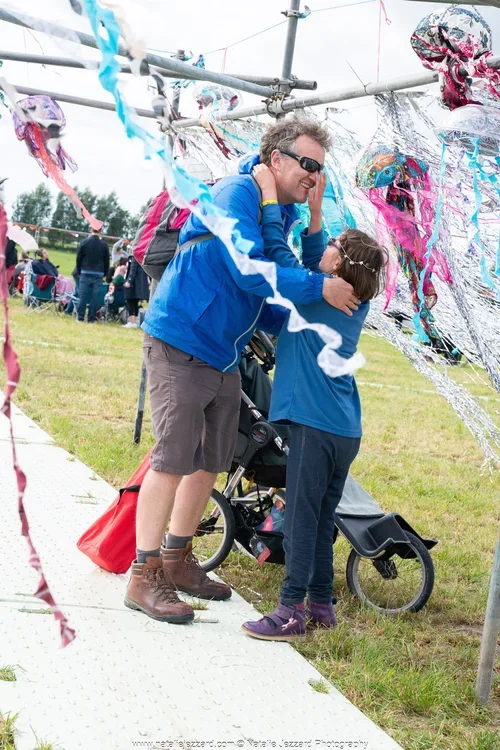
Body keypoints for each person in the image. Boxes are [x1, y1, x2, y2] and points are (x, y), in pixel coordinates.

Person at [125, 115, 360, 625]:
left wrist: (307, 317)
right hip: (182, 340)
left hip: (224, 355)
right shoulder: (236, 192)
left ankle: (177, 557)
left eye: (321, 168)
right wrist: (317, 290)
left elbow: (270, 297)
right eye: (308, 164)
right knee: (172, 458)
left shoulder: (279, 214)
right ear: (275, 159)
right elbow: (251, 269)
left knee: (211, 459)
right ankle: (143, 577)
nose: (315, 177)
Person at [242, 181, 387, 641]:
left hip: (316, 426)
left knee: (302, 518)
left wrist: (268, 202)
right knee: (322, 518)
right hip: (343, 428)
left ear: (340, 265)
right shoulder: (348, 300)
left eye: (333, 246)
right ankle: (322, 605)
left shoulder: (318, 297)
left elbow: (281, 261)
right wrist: (318, 216)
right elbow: (308, 267)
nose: (324, 247)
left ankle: (290, 611)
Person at [76, 228, 110, 323]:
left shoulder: (84, 242)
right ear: (101, 231)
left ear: (91, 229)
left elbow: (79, 257)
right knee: (95, 297)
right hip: (98, 273)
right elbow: (106, 261)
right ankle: (91, 318)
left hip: (85, 271)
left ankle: (80, 317)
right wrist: (105, 273)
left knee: (83, 295)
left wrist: (79, 270)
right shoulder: (104, 245)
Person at [123, 256, 149, 328]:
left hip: (133, 284)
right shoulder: (141, 257)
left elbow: (133, 270)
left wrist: (129, 281)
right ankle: (135, 322)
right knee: (135, 303)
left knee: (130, 301)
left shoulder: (134, 258)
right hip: (140, 284)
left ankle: (132, 321)